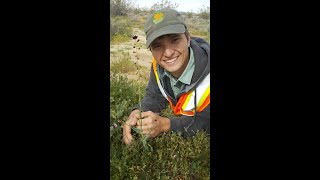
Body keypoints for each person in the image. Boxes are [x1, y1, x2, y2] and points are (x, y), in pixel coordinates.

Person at [123, 8, 210, 145]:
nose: (168, 53)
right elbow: (155, 95)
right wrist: (138, 112)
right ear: (151, 50)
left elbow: (206, 121)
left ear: (188, 38)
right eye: (157, 46)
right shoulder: (158, 66)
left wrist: (166, 125)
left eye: (174, 40)